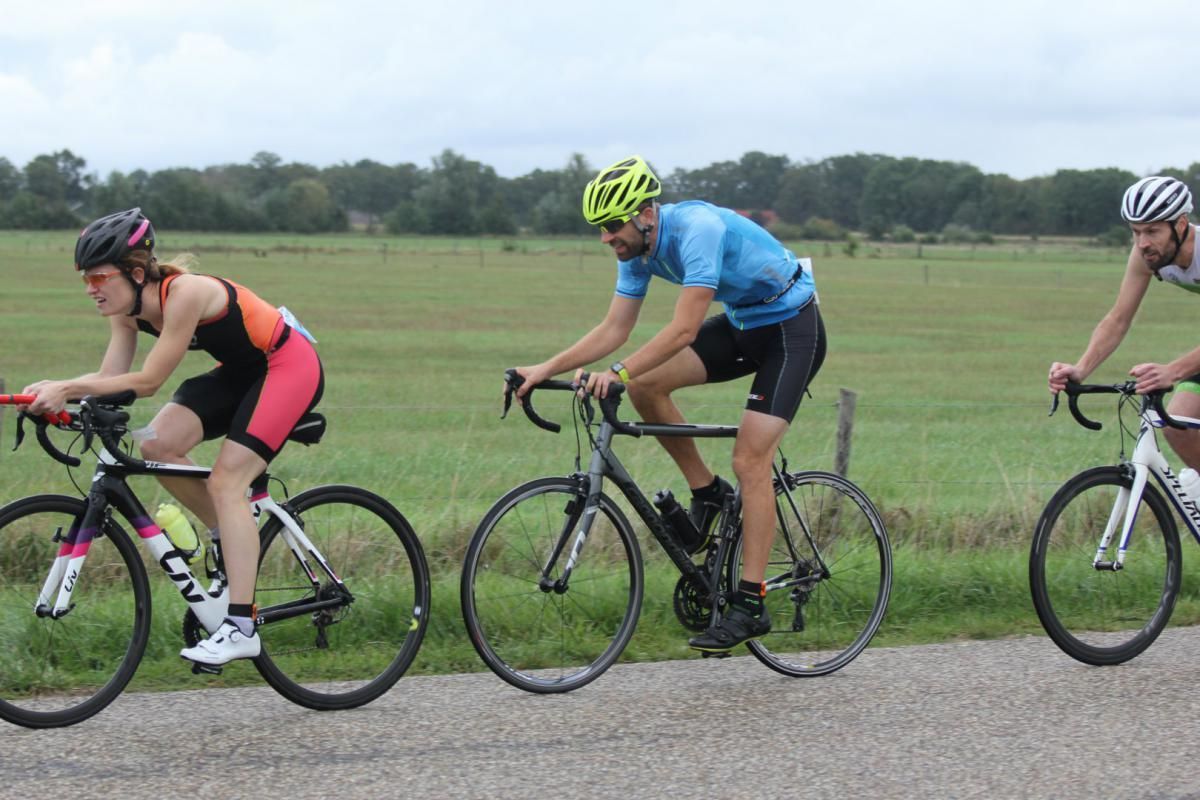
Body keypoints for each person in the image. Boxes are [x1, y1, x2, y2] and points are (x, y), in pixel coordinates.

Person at [514, 155, 825, 651]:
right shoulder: (636, 254)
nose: (605, 238)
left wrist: (616, 372)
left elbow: (682, 330)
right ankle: (708, 493)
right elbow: (615, 328)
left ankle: (750, 603)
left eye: (612, 226)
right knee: (645, 387)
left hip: (792, 330)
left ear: (646, 213)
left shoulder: (698, 229)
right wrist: (543, 369)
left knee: (750, 459)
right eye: (598, 228)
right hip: (745, 323)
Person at [23, 207, 324, 666]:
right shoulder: (126, 310)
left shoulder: (184, 293)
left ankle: (242, 626)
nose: (90, 288)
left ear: (136, 271)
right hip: (241, 374)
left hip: (288, 367)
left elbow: (147, 382)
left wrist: (67, 387)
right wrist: (55, 397)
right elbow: (114, 378)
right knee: (157, 444)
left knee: (227, 483)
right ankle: (230, 540)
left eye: (99, 277)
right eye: (86, 279)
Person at [1049, 176, 1200, 482]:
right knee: (1177, 423)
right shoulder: (1148, 256)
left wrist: (1173, 370)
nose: (1143, 242)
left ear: (1181, 224)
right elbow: (1118, 318)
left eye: (1153, 231)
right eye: (1136, 232)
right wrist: (1081, 368)